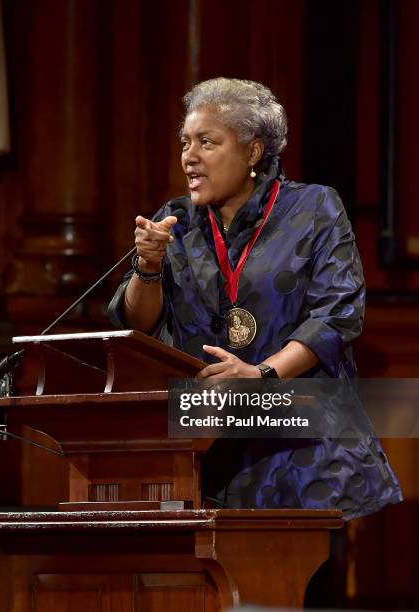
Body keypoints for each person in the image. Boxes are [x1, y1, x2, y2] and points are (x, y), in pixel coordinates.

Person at [108, 77, 402, 520]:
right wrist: (146, 268)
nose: (189, 156)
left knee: (290, 582)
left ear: (253, 150)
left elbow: (337, 314)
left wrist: (262, 375)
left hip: (298, 440)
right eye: (185, 142)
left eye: (208, 142)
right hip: (204, 444)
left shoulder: (314, 209)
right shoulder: (176, 221)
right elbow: (139, 323)